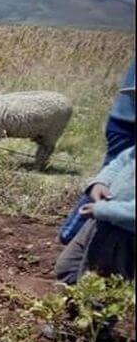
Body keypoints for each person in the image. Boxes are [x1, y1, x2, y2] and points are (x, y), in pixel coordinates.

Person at [55, 87, 135, 285]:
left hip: (125, 234)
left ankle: (95, 314)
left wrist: (102, 209)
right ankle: (70, 308)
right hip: (100, 223)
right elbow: (119, 162)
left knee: (100, 286)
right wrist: (100, 182)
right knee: (68, 268)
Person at [58, 58, 135, 245]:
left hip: (125, 116)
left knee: (118, 182)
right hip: (127, 120)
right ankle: (76, 237)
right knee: (113, 183)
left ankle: (78, 236)